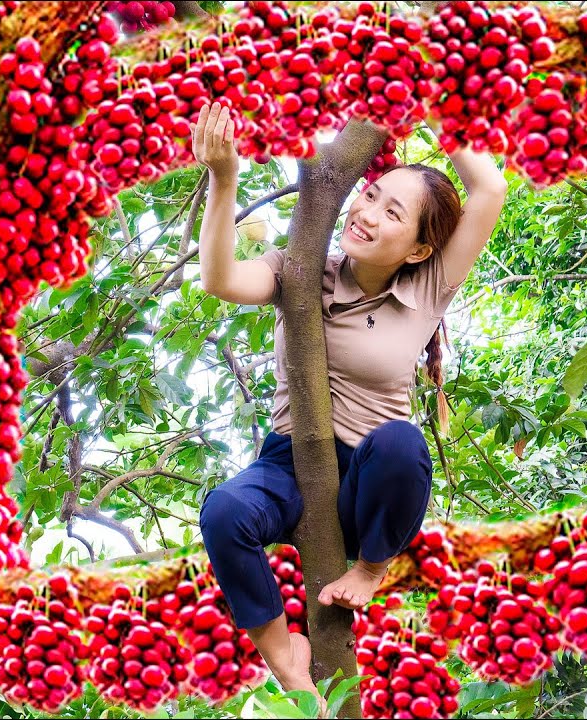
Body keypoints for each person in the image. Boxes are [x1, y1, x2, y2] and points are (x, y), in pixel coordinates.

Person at [192, 100, 508, 699]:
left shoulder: (428, 287)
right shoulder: (303, 267)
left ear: (417, 249)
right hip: (287, 462)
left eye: (393, 212)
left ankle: (368, 567)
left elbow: (488, 186)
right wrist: (224, 177)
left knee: (403, 442)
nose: (365, 213)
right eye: (370, 195)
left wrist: (425, 88)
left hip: (370, 478)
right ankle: (282, 653)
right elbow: (221, 280)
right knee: (225, 511)